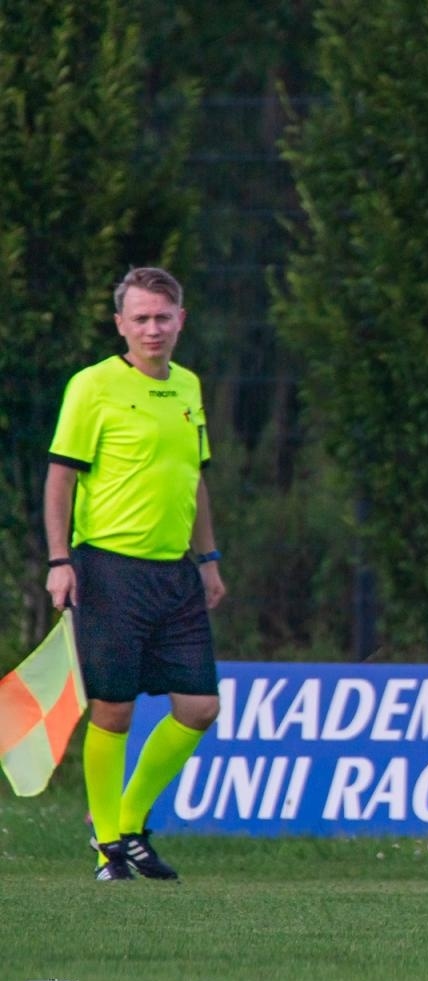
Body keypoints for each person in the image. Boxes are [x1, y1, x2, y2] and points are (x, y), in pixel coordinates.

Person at [43, 266, 225, 882]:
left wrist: (208, 559)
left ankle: (127, 822)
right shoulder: (93, 386)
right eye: (140, 318)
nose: (153, 328)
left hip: (175, 574)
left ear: (181, 321)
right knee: (113, 710)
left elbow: (194, 479)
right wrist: (60, 561)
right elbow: (61, 478)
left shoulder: (189, 386)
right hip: (108, 569)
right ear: (120, 323)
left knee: (200, 706)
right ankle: (109, 850)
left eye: (162, 317)